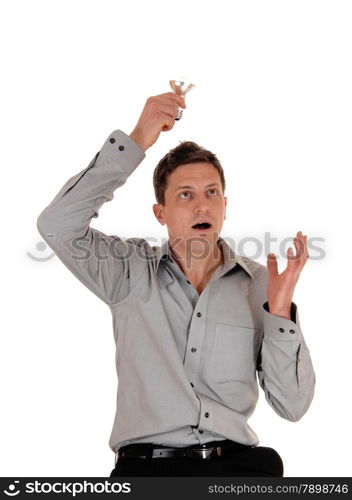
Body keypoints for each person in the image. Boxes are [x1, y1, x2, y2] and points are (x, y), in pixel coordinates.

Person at [37, 92, 316, 477]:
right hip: (148, 470)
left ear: (225, 205)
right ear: (160, 212)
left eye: (211, 193)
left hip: (237, 468)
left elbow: (293, 406)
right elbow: (57, 225)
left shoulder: (260, 286)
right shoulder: (127, 271)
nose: (202, 206)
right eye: (185, 195)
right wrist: (137, 139)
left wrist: (280, 313)